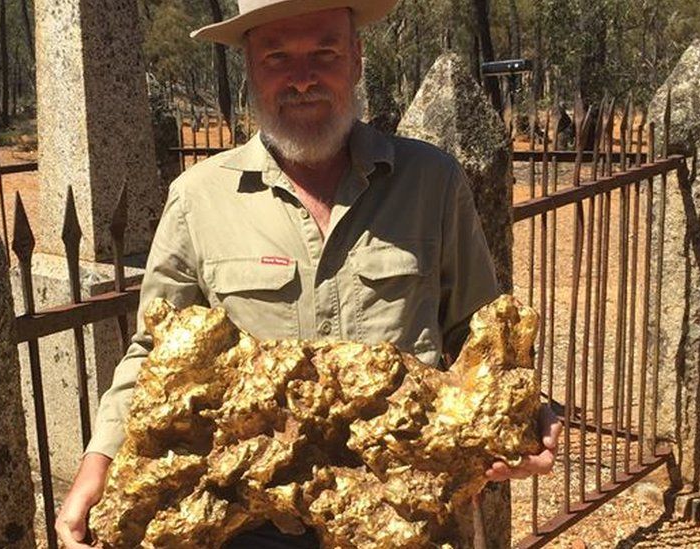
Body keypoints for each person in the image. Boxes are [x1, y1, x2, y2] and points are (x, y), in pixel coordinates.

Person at [56, 1, 562, 547]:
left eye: (325, 52)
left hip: (399, 515)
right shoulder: (197, 200)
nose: (302, 80)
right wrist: (98, 462)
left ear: (357, 58)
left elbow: (477, 338)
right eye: (277, 57)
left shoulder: (431, 182)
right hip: (252, 519)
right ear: (250, 67)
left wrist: (524, 411)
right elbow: (156, 356)